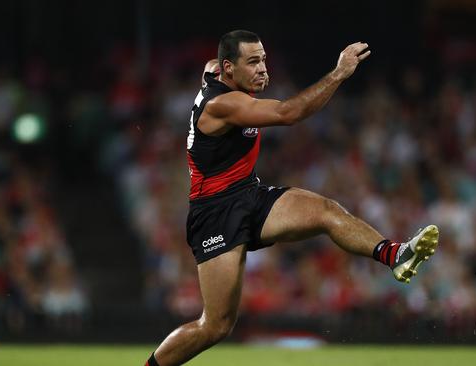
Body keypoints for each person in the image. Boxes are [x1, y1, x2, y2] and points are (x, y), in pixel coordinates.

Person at [145, 30, 440, 366]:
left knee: (327, 211)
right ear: (229, 69)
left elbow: (211, 64)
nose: (262, 69)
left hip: (248, 193)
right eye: (253, 62)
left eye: (264, 59)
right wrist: (340, 72)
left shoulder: (217, 70)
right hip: (215, 213)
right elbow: (289, 113)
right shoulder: (224, 104)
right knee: (215, 326)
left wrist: (237, 67)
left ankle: (395, 254)